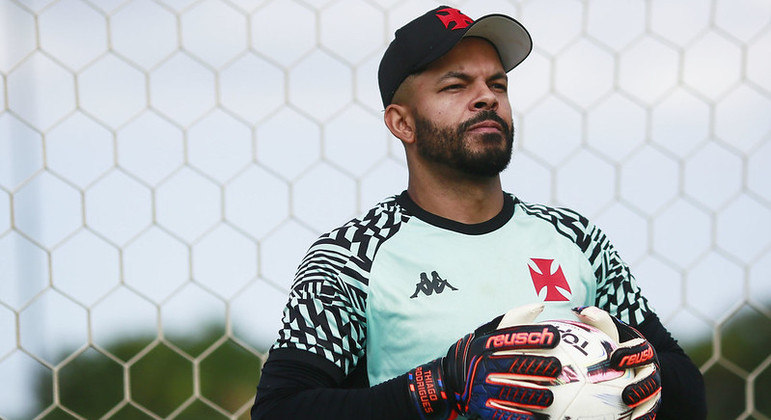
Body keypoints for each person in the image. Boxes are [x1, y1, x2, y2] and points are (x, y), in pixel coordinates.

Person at [251, 5, 706, 420]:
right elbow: (280, 409)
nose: (486, 97)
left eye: (498, 84)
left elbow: (688, 391)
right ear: (401, 122)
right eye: (455, 85)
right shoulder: (352, 255)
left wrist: (651, 373)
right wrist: (441, 383)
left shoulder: (575, 236)